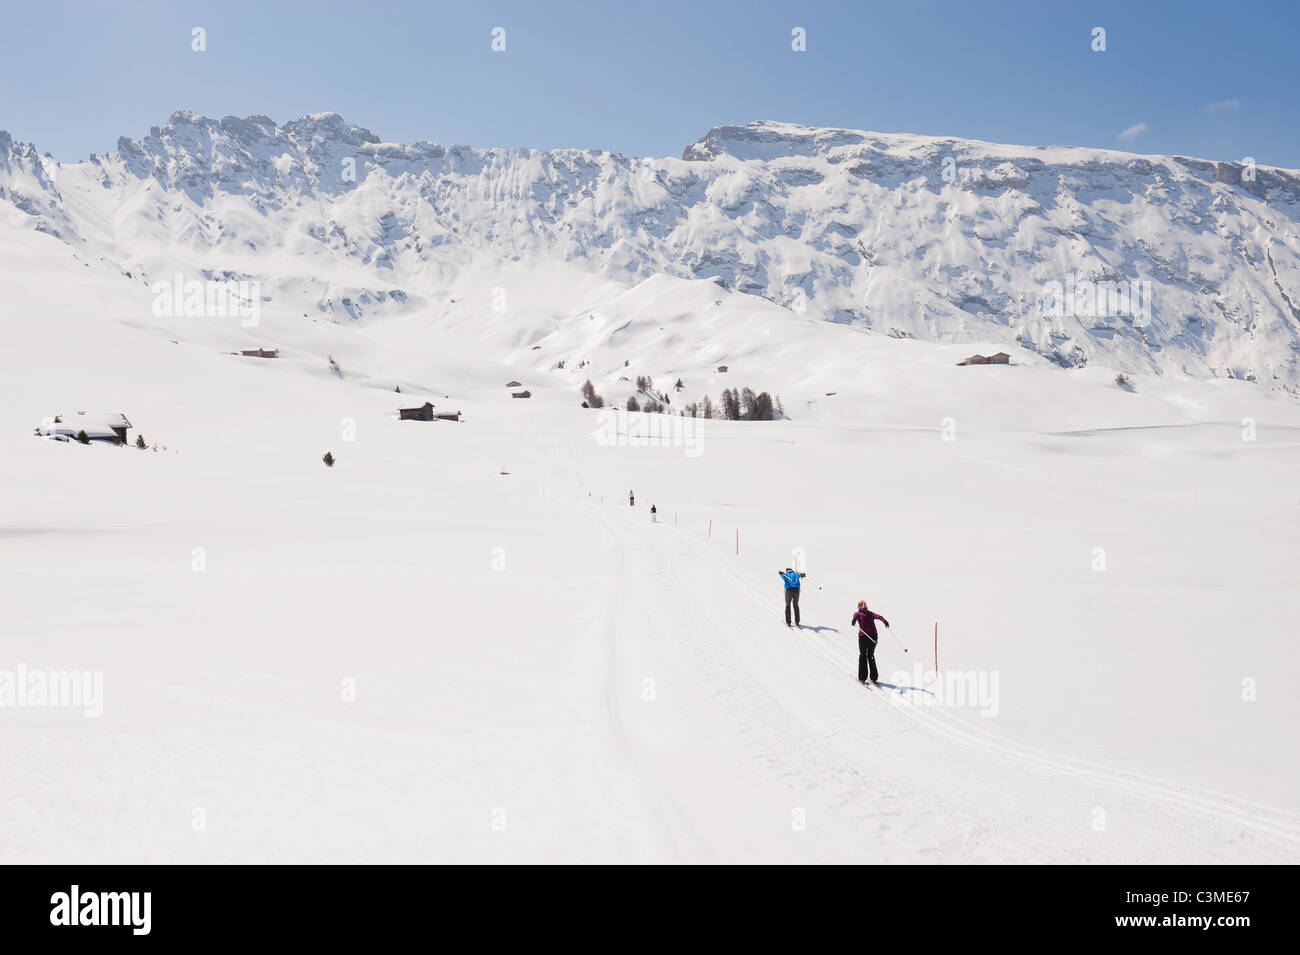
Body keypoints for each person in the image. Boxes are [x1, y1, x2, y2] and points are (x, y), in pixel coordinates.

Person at [851, 600, 890, 684]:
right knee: (870, 655)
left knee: (863, 656)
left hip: (863, 636)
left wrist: (853, 621)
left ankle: (862, 677)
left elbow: (854, 617)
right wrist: (885, 621)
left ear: (859, 607)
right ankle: (874, 677)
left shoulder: (858, 613)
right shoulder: (871, 614)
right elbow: (880, 617)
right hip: (874, 637)